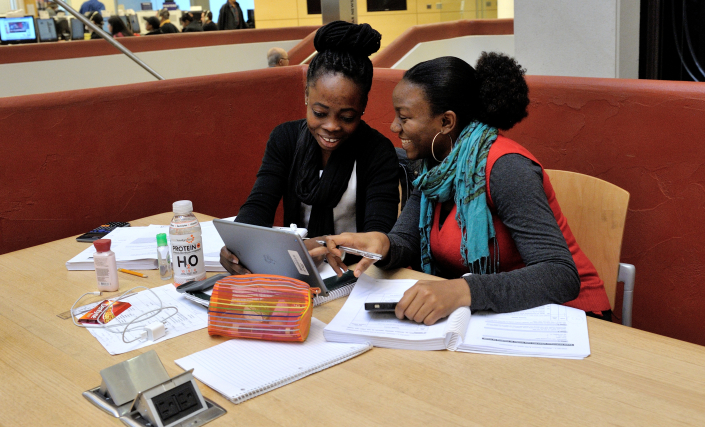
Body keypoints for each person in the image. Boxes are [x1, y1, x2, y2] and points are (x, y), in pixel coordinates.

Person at [323, 53, 612, 325]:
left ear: (446, 121)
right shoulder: (432, 168)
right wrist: (382, 244)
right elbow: (406, 241)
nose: (394, 126)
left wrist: (463, 291)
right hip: (495, 314)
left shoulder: (506, 168)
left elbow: (559, 275)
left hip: (570, 316)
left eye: (405, 117)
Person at [220, 21, 400, 275]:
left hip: (356, 275)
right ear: (306, 94)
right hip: (294, 271)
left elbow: (379, 235)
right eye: (320, 112)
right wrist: (238, 245)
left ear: (362, 107)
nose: (331, 126)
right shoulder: (286, 139)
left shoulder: (377, 151)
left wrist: (324, 245)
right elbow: (259, 205)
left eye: (347, 117)